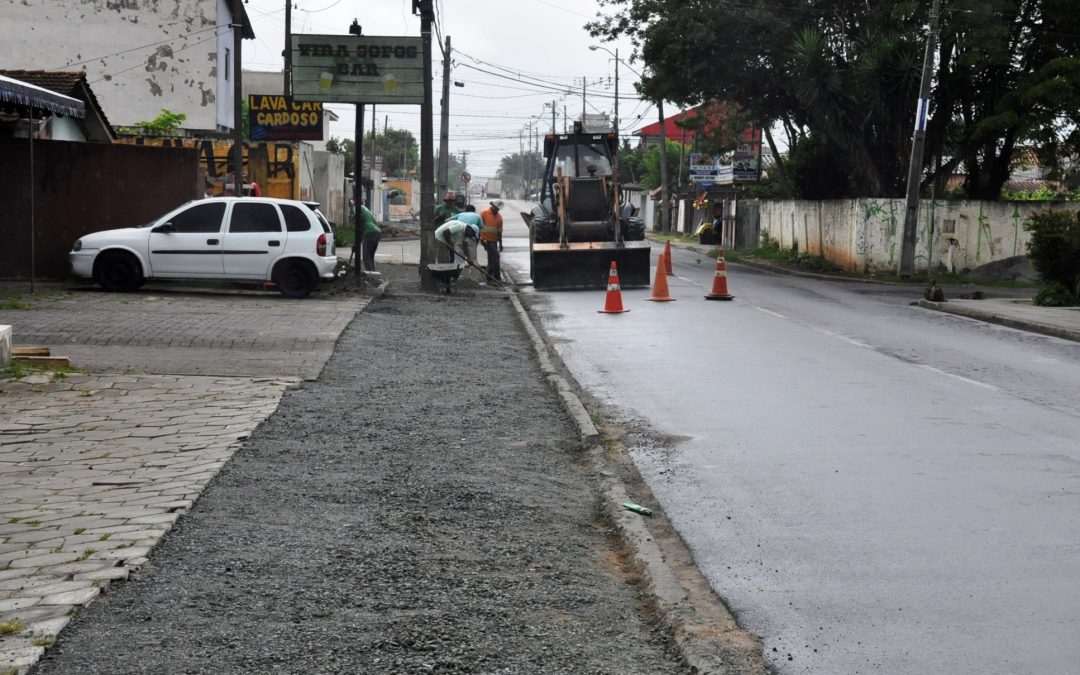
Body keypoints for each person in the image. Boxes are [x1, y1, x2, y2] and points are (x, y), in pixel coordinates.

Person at [480, 200, 504, 281]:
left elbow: (499, 232)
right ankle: (497, 277)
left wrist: (500, 243)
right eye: (496, 208)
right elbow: (478, 225)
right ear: (492, 206)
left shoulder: (499, 217)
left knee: (491, 258)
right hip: (485, 239)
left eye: (498, 209)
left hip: (494, 241)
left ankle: (489, 277)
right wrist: (479, 238)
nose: (497, 210)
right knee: (496, 256)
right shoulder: (484, 213)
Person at [359, 202, 381, 272]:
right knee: (370, 255)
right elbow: (375, 222)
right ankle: (373, 273)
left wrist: (358, 240)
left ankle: (370, 273)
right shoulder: (367, 210)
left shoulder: (357, 208)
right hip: (377, 231)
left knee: (366, 255)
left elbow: (359, 223)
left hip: (369, 231)